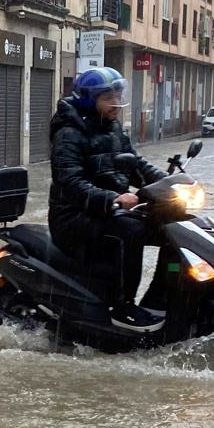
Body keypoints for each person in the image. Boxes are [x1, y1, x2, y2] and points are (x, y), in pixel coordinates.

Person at [48, 66, 168, 332]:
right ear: (90, 100)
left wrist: (169, 182)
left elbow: (136, 165)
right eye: (108, 98)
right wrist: (113, 198)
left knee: (168, 227)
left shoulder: (113, 129)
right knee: (132, 230)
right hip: (73, 218)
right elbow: (70, 183)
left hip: (106, 212)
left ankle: (164, 297)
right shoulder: (69, 134)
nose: (116, 102)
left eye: (117, 95)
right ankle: (121, 307)